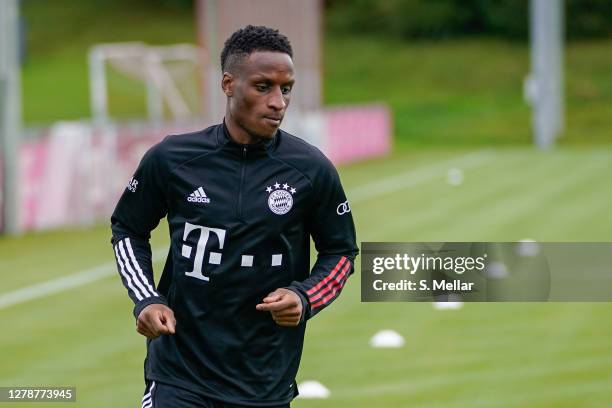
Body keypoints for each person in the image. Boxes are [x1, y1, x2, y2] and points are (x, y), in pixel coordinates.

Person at [110, 25, 358, 408]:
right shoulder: (173, 159)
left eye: (286, 88)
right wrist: (147, 300)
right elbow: (128, 228)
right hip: (180, 375)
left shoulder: (311, 169)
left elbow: (340, 252)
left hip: (265, 382)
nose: (278, 102)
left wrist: (304, 297)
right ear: (228, 84)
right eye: (263, 87)